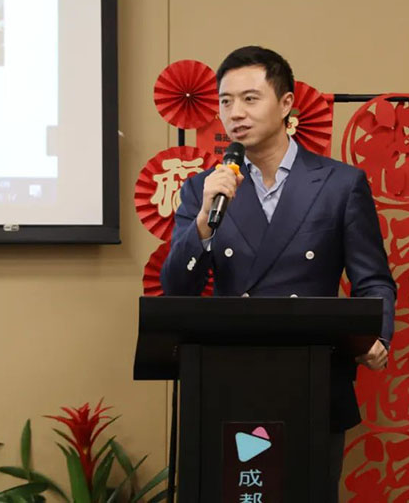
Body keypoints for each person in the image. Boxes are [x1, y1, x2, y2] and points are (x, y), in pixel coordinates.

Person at [160, 45, 396, 501]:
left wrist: (378, 335)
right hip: (228, 378)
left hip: (314, 377)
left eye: (250, 98)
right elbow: (176, 288)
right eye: (225, 101)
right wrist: (205, 221)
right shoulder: (203, 189)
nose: (235, 113)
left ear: (286, 103)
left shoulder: (339, 184)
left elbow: (372, 278)